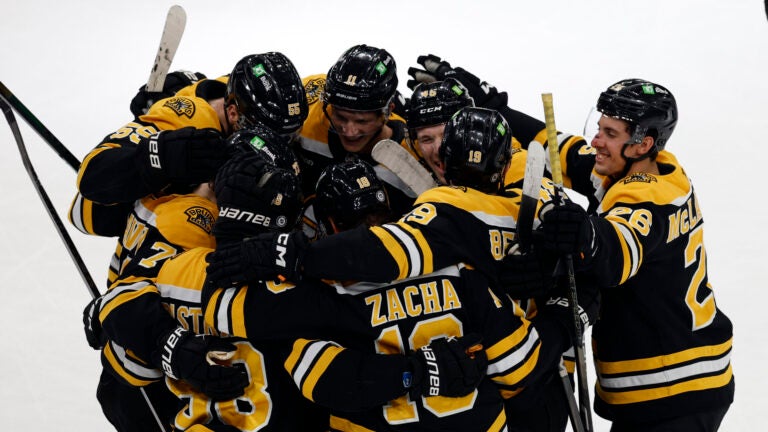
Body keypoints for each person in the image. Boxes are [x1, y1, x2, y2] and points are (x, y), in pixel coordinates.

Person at [537, 79, 734, 431]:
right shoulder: (664, 169)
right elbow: (568, 153)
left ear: (642, 143)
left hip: (670, 391)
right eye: (598, 128)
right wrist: (493, 103)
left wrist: (585, 233)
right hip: (689, 379)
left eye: (609, 133)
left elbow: (617, 251)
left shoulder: (642, 199)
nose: (596, 141)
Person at [295, 44, 419, 216]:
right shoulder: (306, 108)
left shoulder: (414, 159)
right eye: (340, 117)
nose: (349, 131)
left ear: (388, 112)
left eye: (362, 121)